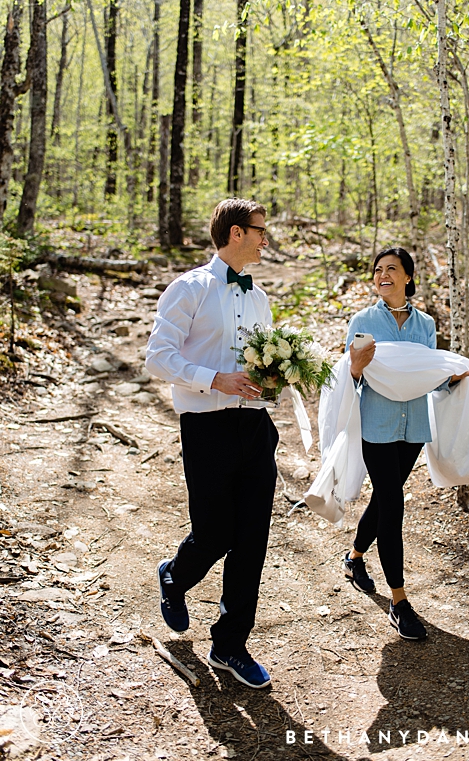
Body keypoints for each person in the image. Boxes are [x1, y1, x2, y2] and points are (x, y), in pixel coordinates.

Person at [145, 198, 278, 689]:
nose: (267, 240)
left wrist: (277, 377)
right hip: (206, 428)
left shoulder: (260, 299)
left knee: (252, 541)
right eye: (262, 231)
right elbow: (157, 357)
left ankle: (230, 644)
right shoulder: (190, 288)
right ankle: (175, 576)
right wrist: (212, 379)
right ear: (238, 233)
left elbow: (261, 363)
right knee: (214, 533)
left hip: (257, 429)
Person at [343, 247, 469, 640]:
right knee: (393, 502)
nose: (383, 275)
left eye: (392, 269)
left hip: (414, 427)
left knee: (385, 498)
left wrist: (460, 374)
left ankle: (354, 557)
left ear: (408, 277)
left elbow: (432, 376)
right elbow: (348, 379)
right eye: (378, 270)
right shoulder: (363, 320)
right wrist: (355, 367)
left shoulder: (425, 324)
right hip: (376, 424)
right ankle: (400, 600)